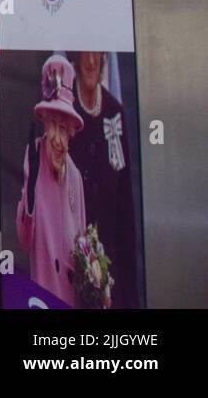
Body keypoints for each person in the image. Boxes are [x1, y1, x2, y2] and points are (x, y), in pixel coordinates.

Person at [16, 55, 87, 307]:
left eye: (64, 129)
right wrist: (31, 197)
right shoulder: (34, 155)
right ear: (44, 125)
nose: (58, 139)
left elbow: (82, 241)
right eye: (53, 126)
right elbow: (25, 239)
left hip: (70, 297)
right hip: (42, 297)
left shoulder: (76, 176)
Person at [67, 50, 136, 308]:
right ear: (75, 56)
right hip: (68, 263)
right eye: (86, 52)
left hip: (109, 263)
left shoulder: (113, 112)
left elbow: (125, 201)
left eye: (98, 53)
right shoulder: (63, 110)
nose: (92, 61)